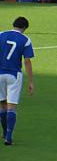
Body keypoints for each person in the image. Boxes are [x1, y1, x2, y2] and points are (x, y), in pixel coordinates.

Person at [0, 17, 35, 146]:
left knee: (2, 104)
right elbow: (27, 61)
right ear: (25, 28)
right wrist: (31, 81)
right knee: (12, 106)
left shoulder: (1, 35)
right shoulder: (25, 40)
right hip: (14, 75)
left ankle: (4, 132)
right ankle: (8, 137)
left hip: (0, 73)